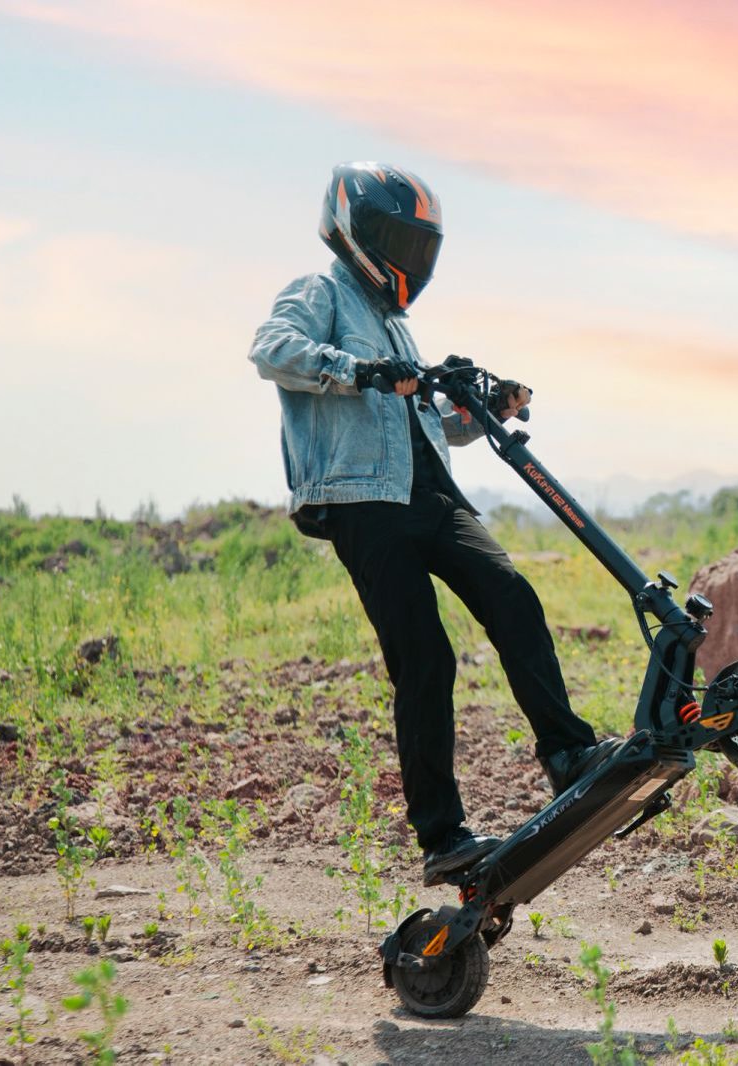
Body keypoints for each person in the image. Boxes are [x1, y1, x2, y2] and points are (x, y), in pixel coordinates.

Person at [248, 161, 620, 887]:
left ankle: (567, 752)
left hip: (429, 494)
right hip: (362, 502)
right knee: (424, 661)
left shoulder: (396, 326)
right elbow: (272, 348)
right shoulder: (321, 292)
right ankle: (443, 837)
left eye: (419, 246)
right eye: (398, 241)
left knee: (512, 594)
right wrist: (358, 370)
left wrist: (485, 411)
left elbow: (426, 422)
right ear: (353, 230)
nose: (409, 258)